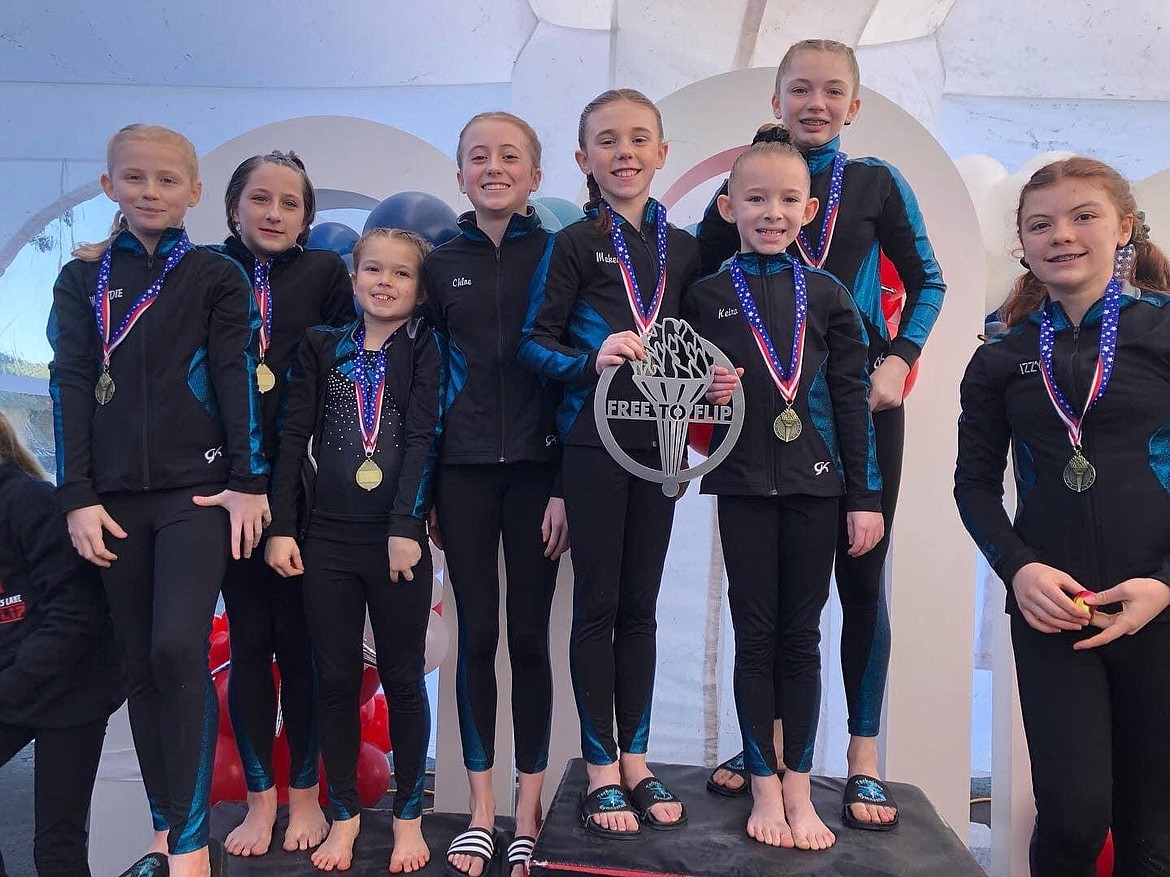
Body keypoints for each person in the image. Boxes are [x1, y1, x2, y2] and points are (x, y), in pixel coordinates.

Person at [697, 39, 946, 828]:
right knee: (766, 607)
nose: (815, 102)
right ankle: (763, 748)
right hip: (762, 419)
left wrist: (899, 359)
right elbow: (698, 293)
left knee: (859, 580)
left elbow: (931, 280)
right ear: (776, 100)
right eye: (798, 89)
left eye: (831, 91)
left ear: (854, 104)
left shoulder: (876, 182)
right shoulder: (741, 189)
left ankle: (863, 759)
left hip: (858, 405)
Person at [48, 123, 270, 877]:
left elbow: (239, 377)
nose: (150, 191)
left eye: (167, 180)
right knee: (142, 662)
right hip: (109, 500)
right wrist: (75, 494)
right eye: (134, 178)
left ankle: (190, 842)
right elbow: (71, 384)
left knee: (179, 645)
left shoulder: (215, 275)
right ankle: (164, 825)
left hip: (195, 492)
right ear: (108, 185)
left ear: (195, 193)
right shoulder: (81, 281)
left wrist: (249, 481)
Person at [954, 157, 1170, 876]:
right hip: (1056, 614)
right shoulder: (1001, 355)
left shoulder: (1164, 335)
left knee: (1153, 834)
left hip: (1161, 610)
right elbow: (974, 488)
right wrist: (1021, 570)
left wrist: (1164, 584)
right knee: (1075, 819)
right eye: (1040, 223)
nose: (1062, 235)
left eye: (1084, 217)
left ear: (1125, 230)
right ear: (1021, 241)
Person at [686, 141, 883, 851]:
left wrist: (865, 496)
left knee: (803, 640)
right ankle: (763, 785)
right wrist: (706, 395)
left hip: (817, 488)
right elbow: (676, 401)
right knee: (755, 636)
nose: (772, 213)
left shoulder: (829, 295)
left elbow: (853, 402)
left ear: (809, 209)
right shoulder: (705, 297)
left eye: (787, 200)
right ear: (728, 206)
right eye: (756, 199)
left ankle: (801, 786)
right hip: (741, 486)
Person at [518, 88, 700, 838]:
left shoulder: (686, 249)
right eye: (606, 141)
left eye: (638, 139)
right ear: (583, 159)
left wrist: (712, 382)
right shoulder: (573, 245)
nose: (623, 152)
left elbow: (698, 342)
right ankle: (598, 767)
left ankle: (637, 757)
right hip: (593, 444)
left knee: (641, 605)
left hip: (660, 442)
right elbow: (533, 343)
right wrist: (590, 356)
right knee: (597, 603)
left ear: (662, 152)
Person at [265, 228, 442, 873]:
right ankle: (344, 812)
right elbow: (292, 439)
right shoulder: (322, 347)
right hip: (328, 537)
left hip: (394, 538)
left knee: (401, 679)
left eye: (400, 274)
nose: (384, 283)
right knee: (333, 678)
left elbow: (424, 437)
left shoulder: (426, 350)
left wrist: (407, 525)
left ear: (420, 291)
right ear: (354, 276)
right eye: (373, 270)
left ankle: (407, 818)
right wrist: (282, 525)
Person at [424, 112, 567, 877]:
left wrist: (569, 486)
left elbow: (581, 381)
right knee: (476, 638)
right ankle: (482, 810)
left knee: (530, 641)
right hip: (464, 474)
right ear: (460, 174)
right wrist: (425, 496)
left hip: (541, 476)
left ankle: (530, 806)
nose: (493, 166)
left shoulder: (559, 252)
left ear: (537, 177)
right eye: (477, 155)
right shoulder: (438, 264)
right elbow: (419, 388)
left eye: (510, 156)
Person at [212, 150, 355, 859]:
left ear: (307, 216)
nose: (273, 213)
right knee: (247, 645)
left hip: (300, 489)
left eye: (289, 202)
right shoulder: (209, 269)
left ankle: (306, 793)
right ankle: (259, 799)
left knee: (301, 647)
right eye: (259, 199)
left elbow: (342, 373)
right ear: (232, 205)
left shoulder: (328, 275)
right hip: (229, 486)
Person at [0, 412, 124, 877]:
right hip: (16, 678)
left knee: (56, 850)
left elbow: (76, 617)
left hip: (75, 685)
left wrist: (8, 687)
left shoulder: (29, 501)